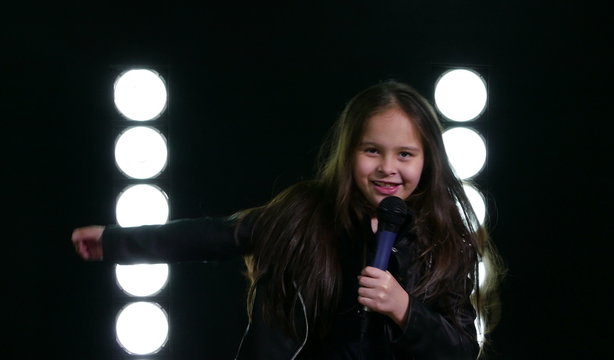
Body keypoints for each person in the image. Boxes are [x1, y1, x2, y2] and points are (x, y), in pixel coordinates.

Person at [72, 80, 503, 359]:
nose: (387, 167)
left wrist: (405, 309)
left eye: (404, 154)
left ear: (427, 161)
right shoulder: (303, 217)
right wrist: (115, 242)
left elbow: (462, 350)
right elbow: (216, 235)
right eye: (372, 150)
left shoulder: (444, 243)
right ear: (348, 153)